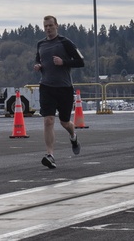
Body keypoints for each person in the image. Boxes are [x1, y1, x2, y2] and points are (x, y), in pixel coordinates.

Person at [33, 15, 85, 169]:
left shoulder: (65, 42)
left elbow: (81, 61)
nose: (48, 28)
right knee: (48, 120)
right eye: (45, 26)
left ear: (57, 26)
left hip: (64, 88)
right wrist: (37, 66)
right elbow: (38, 59)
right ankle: (50, 155)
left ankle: (73, 136)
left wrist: (64, 62)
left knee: (64, 122)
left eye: (50, 25)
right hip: (46, 87)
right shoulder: (40, 44)